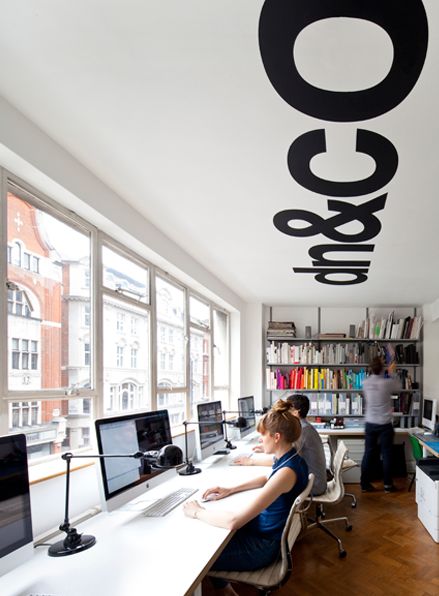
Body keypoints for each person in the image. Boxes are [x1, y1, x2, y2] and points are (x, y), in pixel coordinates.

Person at [183, 399, 308, 596]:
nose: (260, 439)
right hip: (262, 533)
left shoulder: (287, 472)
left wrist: (198, 512)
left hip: (262, 547)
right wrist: (230, 489)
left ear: (276, 437)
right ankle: (226, 591)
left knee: (196, 555)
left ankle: (224, 591)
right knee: (209, 533)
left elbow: (234, 522)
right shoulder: (291, 458)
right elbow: (265, 480)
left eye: (262, 435)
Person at [232, 394, 327, 496]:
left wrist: (251, 461)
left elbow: (285, 458)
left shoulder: (302, 431)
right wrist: (267, 447)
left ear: (296, 412)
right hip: (314, 480)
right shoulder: (304, 427)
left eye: (287, 410)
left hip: (314, 486)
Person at [360, 356, 400, 493]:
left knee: (368, 454)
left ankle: (364, 484)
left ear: (371, 368)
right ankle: (388, 485)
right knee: (387, 454)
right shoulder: (386, 383)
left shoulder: (365, 383)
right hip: (384, 424)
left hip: (370, 423)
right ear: (382, 369)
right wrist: (391, 372)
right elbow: (398, 386)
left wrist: (385, 372)